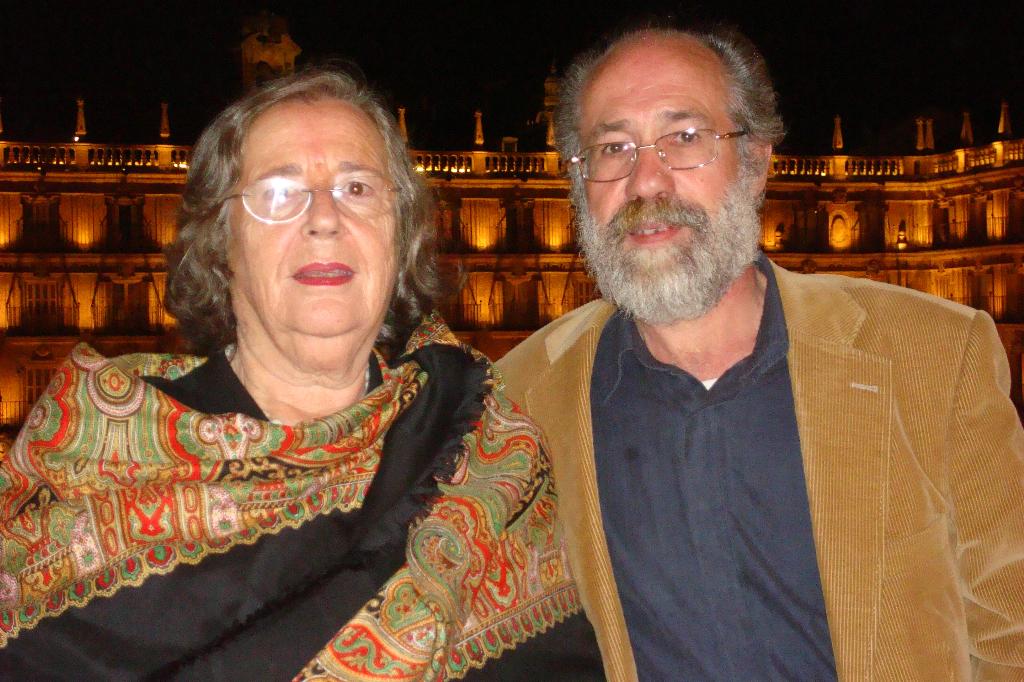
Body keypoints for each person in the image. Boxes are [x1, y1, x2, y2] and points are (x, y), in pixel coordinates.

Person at [0, 67, 603, 680]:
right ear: (219, 243)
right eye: (279, 193)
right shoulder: (91, 461)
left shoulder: (491, 441)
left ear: (402, 238)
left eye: (358, 188)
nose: (324, 218)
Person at [497, 25, 1024, 681]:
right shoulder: (517, 401)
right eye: (613, 148)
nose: (645, 181)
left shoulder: (935, 356)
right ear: (580, 184)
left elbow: (1012, 637)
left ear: (756, 162)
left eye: (684, 138)